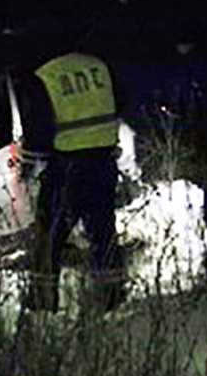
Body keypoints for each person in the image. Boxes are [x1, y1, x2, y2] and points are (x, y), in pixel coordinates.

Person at [16, 48, 125, 312]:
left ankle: (43, 303)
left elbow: (39, 131)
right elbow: (122, 102)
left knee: (49, 235)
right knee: (103, 232)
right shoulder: (99, 65)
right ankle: (111, 300)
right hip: (103, 161)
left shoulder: (45, 75)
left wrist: (27, 165)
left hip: (67, 167)